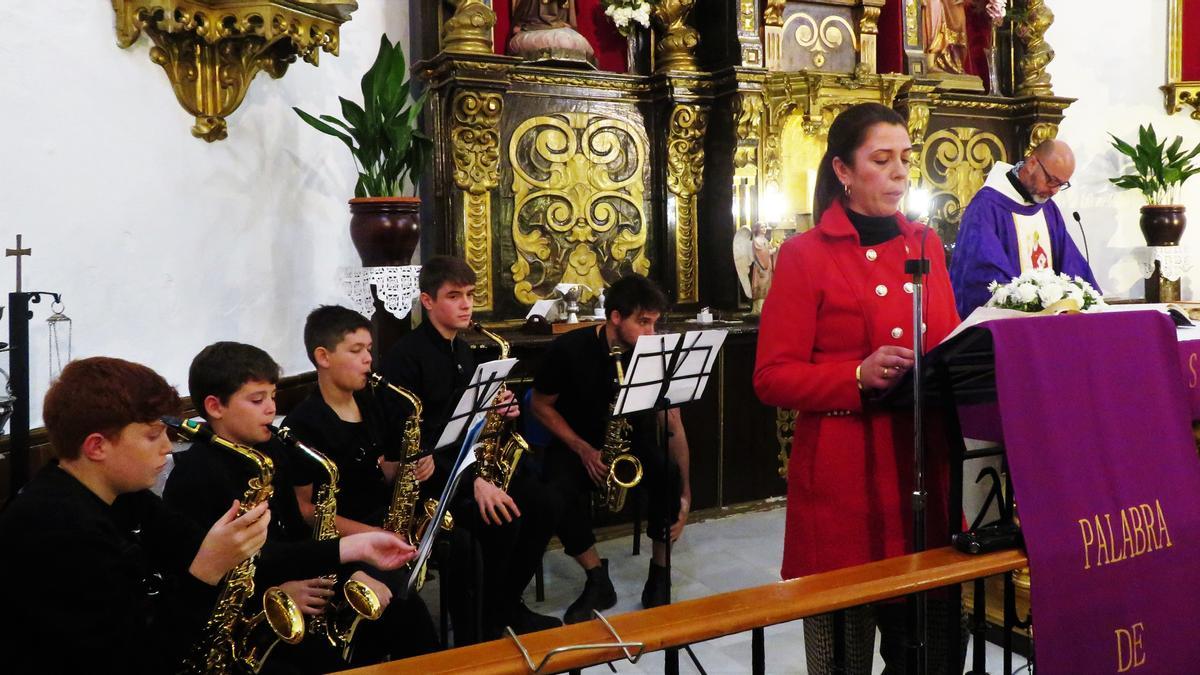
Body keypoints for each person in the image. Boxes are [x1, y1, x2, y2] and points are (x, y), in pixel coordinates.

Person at [753, 102, 962, 674]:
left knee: (930, 653)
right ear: (843, 170)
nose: (900, 172)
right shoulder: (803, 256)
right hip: (844, 483)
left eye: (905, 159)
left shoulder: (927, 247)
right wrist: (854, 375)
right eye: (882, 159)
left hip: (921, 469)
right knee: (841, 658)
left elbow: (947, 347)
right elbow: (772, 376)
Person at [162, 341, 429, 670]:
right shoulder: (194, 476)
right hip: (247, 619)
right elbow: (212, 577)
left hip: (296, 583)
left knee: (406, 610)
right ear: (215, 407)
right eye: (257, 400)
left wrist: (350, 572)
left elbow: (297, 536)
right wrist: (274, 593)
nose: (271, 409)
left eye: (273, 396)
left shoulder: (272, 449)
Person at [0, 357, 270, 674]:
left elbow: (189, 542)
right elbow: (134, 659)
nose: (168, 448)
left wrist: (234, 546)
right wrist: (206, 572)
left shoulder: (125, 495)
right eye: (153, 435)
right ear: (97, 447)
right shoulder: (53, 528)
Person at [381, 256, 562, 640]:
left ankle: (505, 602)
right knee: (502, 518)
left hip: (465, 463)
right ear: (427, 301)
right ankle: (479, 624)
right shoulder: (405, 358)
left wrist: (502, 410)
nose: (466, 305)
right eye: (454, 296)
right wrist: (473, 483)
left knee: (544, 502)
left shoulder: (463, 352)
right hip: (430, 481)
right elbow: (412, 447)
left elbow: (470, 424)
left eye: (469, 295)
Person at [531, 273, 692, 624]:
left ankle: (659, 572)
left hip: (629, 442)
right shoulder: (568, 350)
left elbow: (673, 424)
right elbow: (540, 406)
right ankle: (596, 578)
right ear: (615, 317)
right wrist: (581, 448)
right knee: (555, 493)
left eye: (655, 323)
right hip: (576, 442)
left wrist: (685, 492)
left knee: (666, 471)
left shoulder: (652, 354)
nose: (651, 333)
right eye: (643, 322)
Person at [950, 139, 1100, 317]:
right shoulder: (987, 207)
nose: (1054, 191)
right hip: (1011, 329)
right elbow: (981, 275)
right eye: (1052, 180)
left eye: (1061, 185)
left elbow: (1071, 266)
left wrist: (1083, 299)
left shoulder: (1048, 209)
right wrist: (1024, 306)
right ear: (1032, 163)